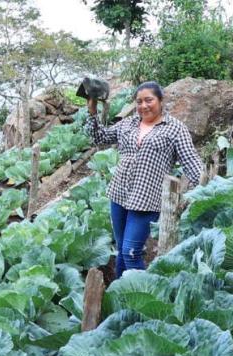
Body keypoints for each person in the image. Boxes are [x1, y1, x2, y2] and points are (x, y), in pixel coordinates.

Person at [85, 81, 203, 279]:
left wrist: (204, 190)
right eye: (139, 102)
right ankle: (120, 294)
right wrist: (92, 110)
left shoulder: (175, 129)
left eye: (149, 100)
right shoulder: (129, 123)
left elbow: (191, 162)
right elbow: (98, 137)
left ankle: (143, 293)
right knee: (122, 248)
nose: (144, 106)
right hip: (120, 193)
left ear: (160, 100)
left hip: (147, 200)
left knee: (131, 252)